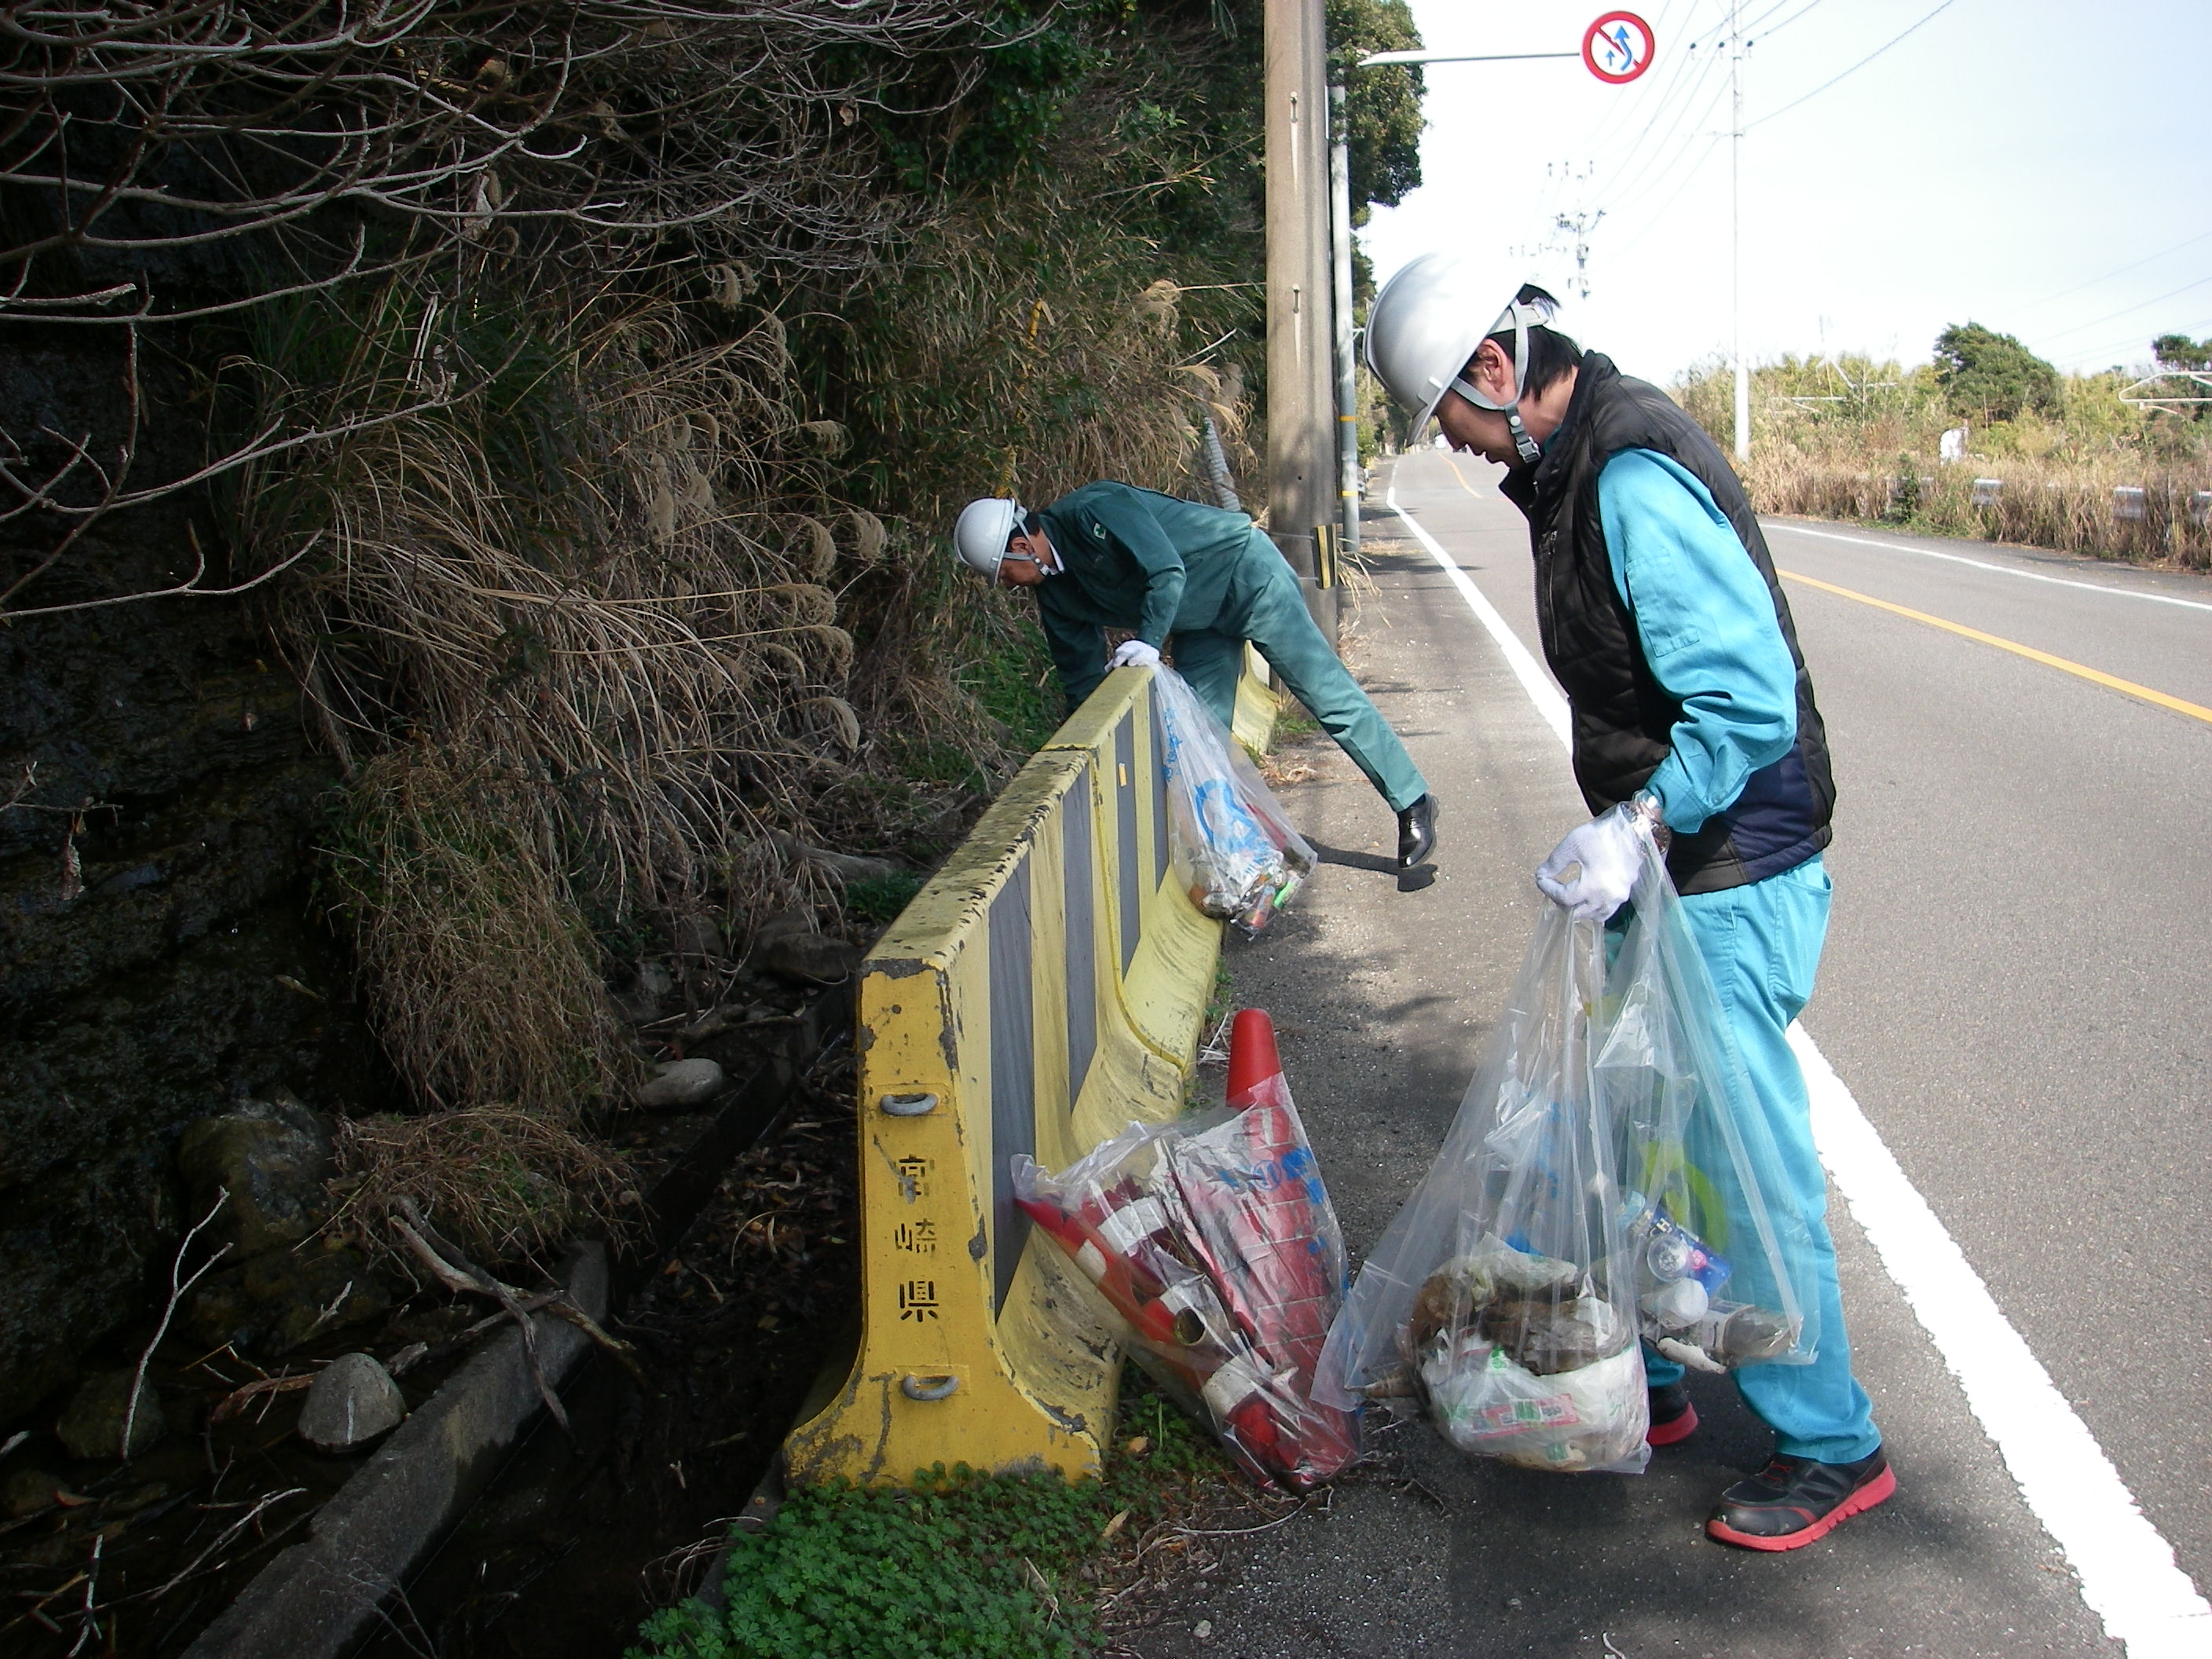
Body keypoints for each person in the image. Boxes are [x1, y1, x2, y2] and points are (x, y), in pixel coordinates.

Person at [1364, 251, 1888, 1551]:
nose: (1470, 453)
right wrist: (1623, 834)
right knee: (1633, 1135)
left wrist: (1641, 823)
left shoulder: (1631, 474)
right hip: (1668, 864)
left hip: (1731, 864)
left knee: (1737, 1165)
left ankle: (1834, 1441)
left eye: (1460, 427)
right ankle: (1640, 1382)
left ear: (1497, 369)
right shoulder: (1576, 463)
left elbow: (1745, 701)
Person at [951, 482, 1439, 870]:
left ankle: (1412, 801)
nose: (1005, 586)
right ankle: (1233, 858)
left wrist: (1147, 639)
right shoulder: (1053, 594)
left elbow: (1166, 571)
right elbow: (1079, 682)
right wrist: (1082, 752)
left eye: (1002, 574)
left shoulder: (1095, 510)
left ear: (1021, 544)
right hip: (1199, 624)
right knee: (1199, 741)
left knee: (1325, 693)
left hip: (1246, 576)